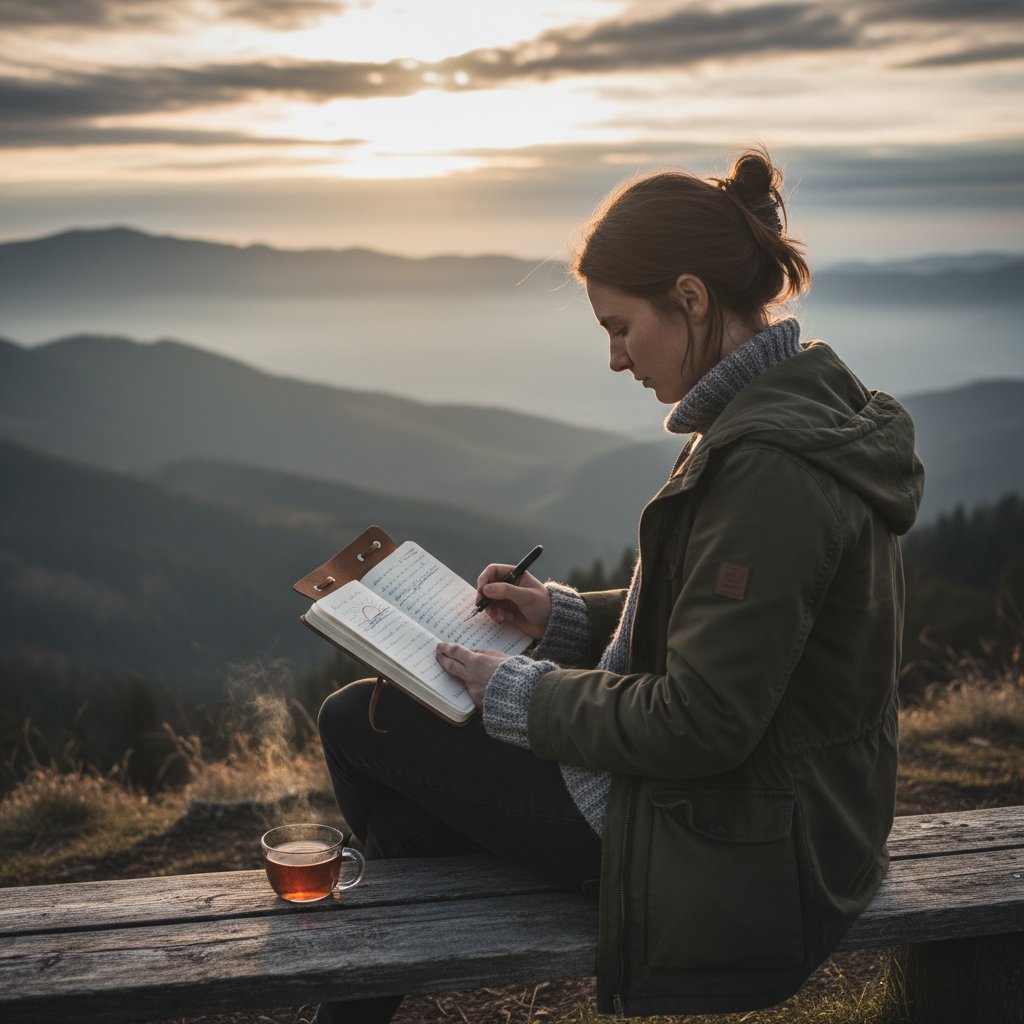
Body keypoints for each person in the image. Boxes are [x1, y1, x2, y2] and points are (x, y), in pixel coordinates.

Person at [314, 147, 925, 1022]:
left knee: (359, 720)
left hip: (735, 840)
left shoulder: (768, 471)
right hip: (788, 811)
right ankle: (417, 900)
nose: (613, 358)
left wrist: (518, 691)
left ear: (690, 298)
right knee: (399, 761)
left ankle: (369, 980)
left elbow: (700, 721)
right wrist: (558, 619)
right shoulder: (788, 407)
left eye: (619, 326)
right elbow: (734, 620)